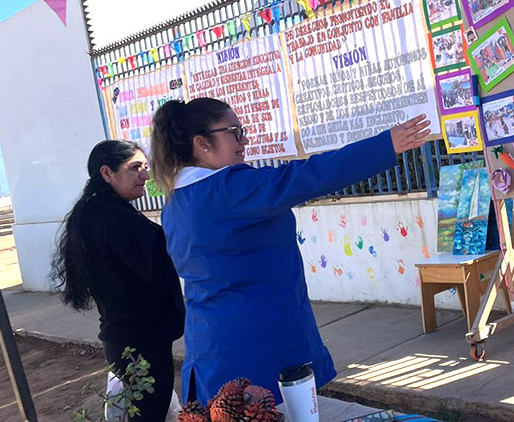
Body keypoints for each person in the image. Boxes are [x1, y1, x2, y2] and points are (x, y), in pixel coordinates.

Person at [150, 98, 430, 404]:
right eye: (235, 132)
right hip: (258, 341)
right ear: (202, 143)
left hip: (210, 344)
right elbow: (306, 176)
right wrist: (384, 146)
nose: (244, 140)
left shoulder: (176, 202)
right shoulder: (229, 188)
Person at [52, 140, 184, 422]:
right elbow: (155, 269)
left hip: (127, 337)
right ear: (107, 173)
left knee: (150, 409)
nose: (145, 176)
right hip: (141, 341)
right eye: (135, 168)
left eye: (145, 167)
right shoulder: (114, 218)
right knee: (150, 412)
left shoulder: (95, 213)